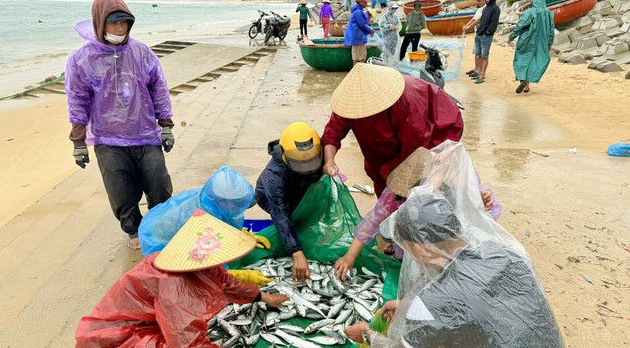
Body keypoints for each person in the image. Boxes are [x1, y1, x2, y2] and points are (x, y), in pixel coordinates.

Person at [344, 185, 582, 348]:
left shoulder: (432, 304)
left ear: (421, 249)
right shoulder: (499, 253)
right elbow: (475, 305)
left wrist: (368, 333)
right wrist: (407, 305)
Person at [75, 210, 289, 348]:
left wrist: (262, 297)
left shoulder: (187, 261)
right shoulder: (174, 288)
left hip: (129, 332)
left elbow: (224, 282)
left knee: (186, 347)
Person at [65, 0, 175, 250]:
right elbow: (77, 99)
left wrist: (166, 125)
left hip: (145, 133)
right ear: (100, 23)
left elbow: (159, 88)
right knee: (121, 192)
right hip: (108, 139)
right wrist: (78, 141)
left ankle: (161, 227)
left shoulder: (142, 52)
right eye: (114, 23)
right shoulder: (81, 59)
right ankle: (135, 231)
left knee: (159, 185)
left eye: (124, 22)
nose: (120, 28)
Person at [333, 141, 501, 278]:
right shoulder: (395, 196)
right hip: (410, 251)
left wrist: (477, 203)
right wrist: (350, 256)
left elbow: (477, 223)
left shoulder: (450, 191)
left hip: (443, 254)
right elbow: (372, 222)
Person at [321, 63, 463, 197]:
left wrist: (394, 176)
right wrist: (329, 160)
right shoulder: (350, 102)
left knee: (422, 188)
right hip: (385, 153)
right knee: (384, 196)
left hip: (437, 129)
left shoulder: (404, 102)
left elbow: (414, 150)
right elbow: (333, 130)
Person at [255, 122, 324, 282]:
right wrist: (296, 252)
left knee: (305, 217)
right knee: (288, 219)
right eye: (300, 164)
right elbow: (280, 213)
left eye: (311, 162)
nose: (306, 167)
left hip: (298, 189)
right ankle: (292, 244)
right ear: (285, 155)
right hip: (269, 197)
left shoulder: (316, 152)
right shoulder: (274, 177)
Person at [138, 166, 257, 256]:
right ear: (224, 201)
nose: (239, 209)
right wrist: (235, 276)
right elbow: (209, 261)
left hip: (157, 224)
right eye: (237, 204)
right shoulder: (203, 219)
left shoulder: (209, 198)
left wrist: (242, 235)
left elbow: (227, 221)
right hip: (159, 245)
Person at [509, 0, 555, 94]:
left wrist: (511, 37)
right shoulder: (549, 13)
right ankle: (526, 85)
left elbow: (520, 26)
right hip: (541, 42)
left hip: (526, 40)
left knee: (522, 60)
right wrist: (549, 43)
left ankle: (523, 81)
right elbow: (551, 31)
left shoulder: (529, 12)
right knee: (535, 62)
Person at [472, 0, 500, 84]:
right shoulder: (486, 8)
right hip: (479, 34)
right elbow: (481, 20)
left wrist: (486, 33)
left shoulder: (495, 9)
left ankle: (482, 74)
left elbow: (494, 24)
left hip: (486, 36)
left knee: (484, 56)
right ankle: (479, 72)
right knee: (478, 54)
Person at [344, 0, 374, 66]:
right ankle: (361, 74)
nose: (366, 4)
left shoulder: (356, 11)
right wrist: (370, 30)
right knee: (362, 56)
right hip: (359, 37)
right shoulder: (358, 12)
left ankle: (355, 74)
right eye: (366, 2)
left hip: (354, 37)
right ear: (362, 2)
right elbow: (361, 24)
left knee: (355, 56)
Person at [463, 0, 487, 79]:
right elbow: (473, 19)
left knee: (481, 53)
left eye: (480, 0)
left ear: (484, 0)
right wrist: (466, 25)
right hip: (477, 32)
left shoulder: (486, 9)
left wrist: (468, 27)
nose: (478, 2)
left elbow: (478, 21)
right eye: (477, 1)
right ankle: (476, 68)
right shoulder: (479, 9)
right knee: (476, 52)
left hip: (483, 33)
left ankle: (480, 71)